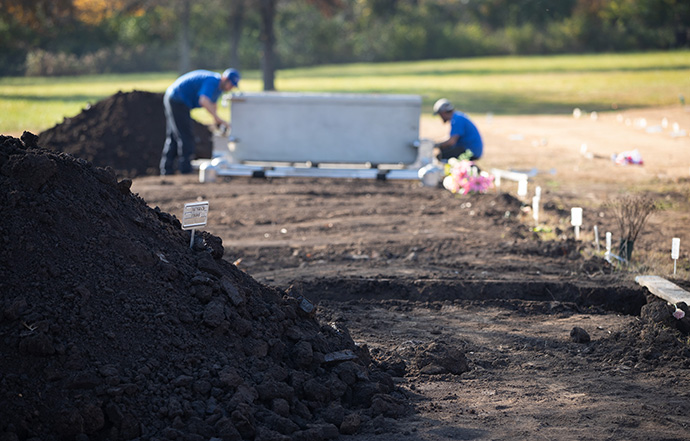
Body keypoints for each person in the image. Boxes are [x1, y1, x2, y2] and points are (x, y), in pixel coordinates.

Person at [160, 68, 241, 175]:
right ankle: (185, 170)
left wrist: (216, 121)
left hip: (174, 98)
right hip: (177, 99)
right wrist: (219, 119)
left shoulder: (219, 88)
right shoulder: (213, 81)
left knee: (174, 136)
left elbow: (213, 104)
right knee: (185, 136)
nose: (231, 88)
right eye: (231, 84)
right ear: (225, 79)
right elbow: (204, 100)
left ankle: (166, 170)